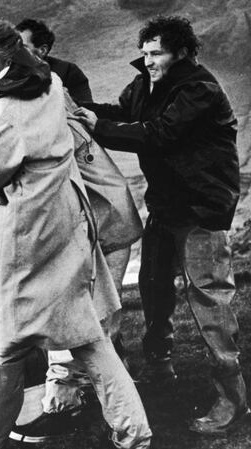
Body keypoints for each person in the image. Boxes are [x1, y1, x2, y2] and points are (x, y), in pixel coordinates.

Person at [0, 18, 151, 449]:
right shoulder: (48, 84)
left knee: (1, 355)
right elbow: (14, 154)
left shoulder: (4, 114)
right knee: (92, 344)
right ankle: (136, 438)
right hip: (68, 235)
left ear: (7, 62)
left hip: (26, 248)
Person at [74, 15, 250, 435]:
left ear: (182, 52)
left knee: (209, 297)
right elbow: (122, 112)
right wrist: (82, 112)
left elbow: (159, 134)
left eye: (157, 53)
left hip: (201, 207)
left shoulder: (199, 89)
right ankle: (159, 367)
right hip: (167, 205)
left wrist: (101, 127)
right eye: (146, 52)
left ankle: (232, 396)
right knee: (153, 285)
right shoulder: (147, 82)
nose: (148, 60)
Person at [15, 18, 93, 103]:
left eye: (22, 46)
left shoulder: (68, 72)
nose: (12, 51)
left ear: (42, 50)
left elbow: (86, 111)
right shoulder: (4, 70)